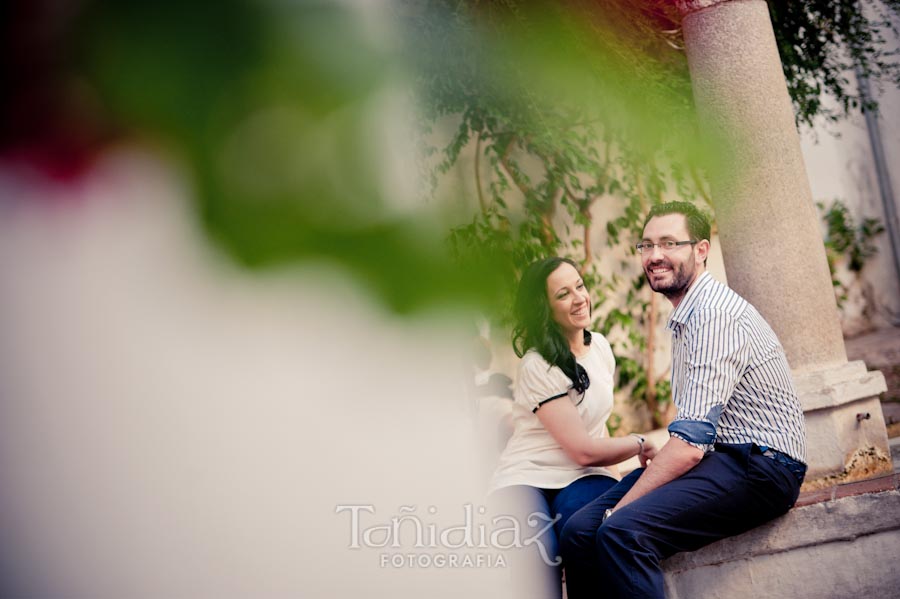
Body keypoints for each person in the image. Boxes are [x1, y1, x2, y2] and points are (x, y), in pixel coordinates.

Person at [559, 202, 808, 598]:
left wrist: (619, 510)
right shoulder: (688, 316)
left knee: (621, 531)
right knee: (578, 531)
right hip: (723, 458)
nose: (655, 255)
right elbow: (696, 441)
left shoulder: (712, 315)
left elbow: (689, 447)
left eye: (670, 243)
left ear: (701, 250)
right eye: (646, 245)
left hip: (764, 467)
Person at [488, 257, 656, 599]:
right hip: (526, 474)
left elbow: (598, 427)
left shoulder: (601, 348)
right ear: (545, 310)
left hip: (583, 475)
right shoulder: (538, 364)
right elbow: (581, 448)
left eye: (580, 286)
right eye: (563, 294)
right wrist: (639, 443)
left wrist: (611, 473)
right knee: (535, 551)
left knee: (585, 534)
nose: (580, 298)